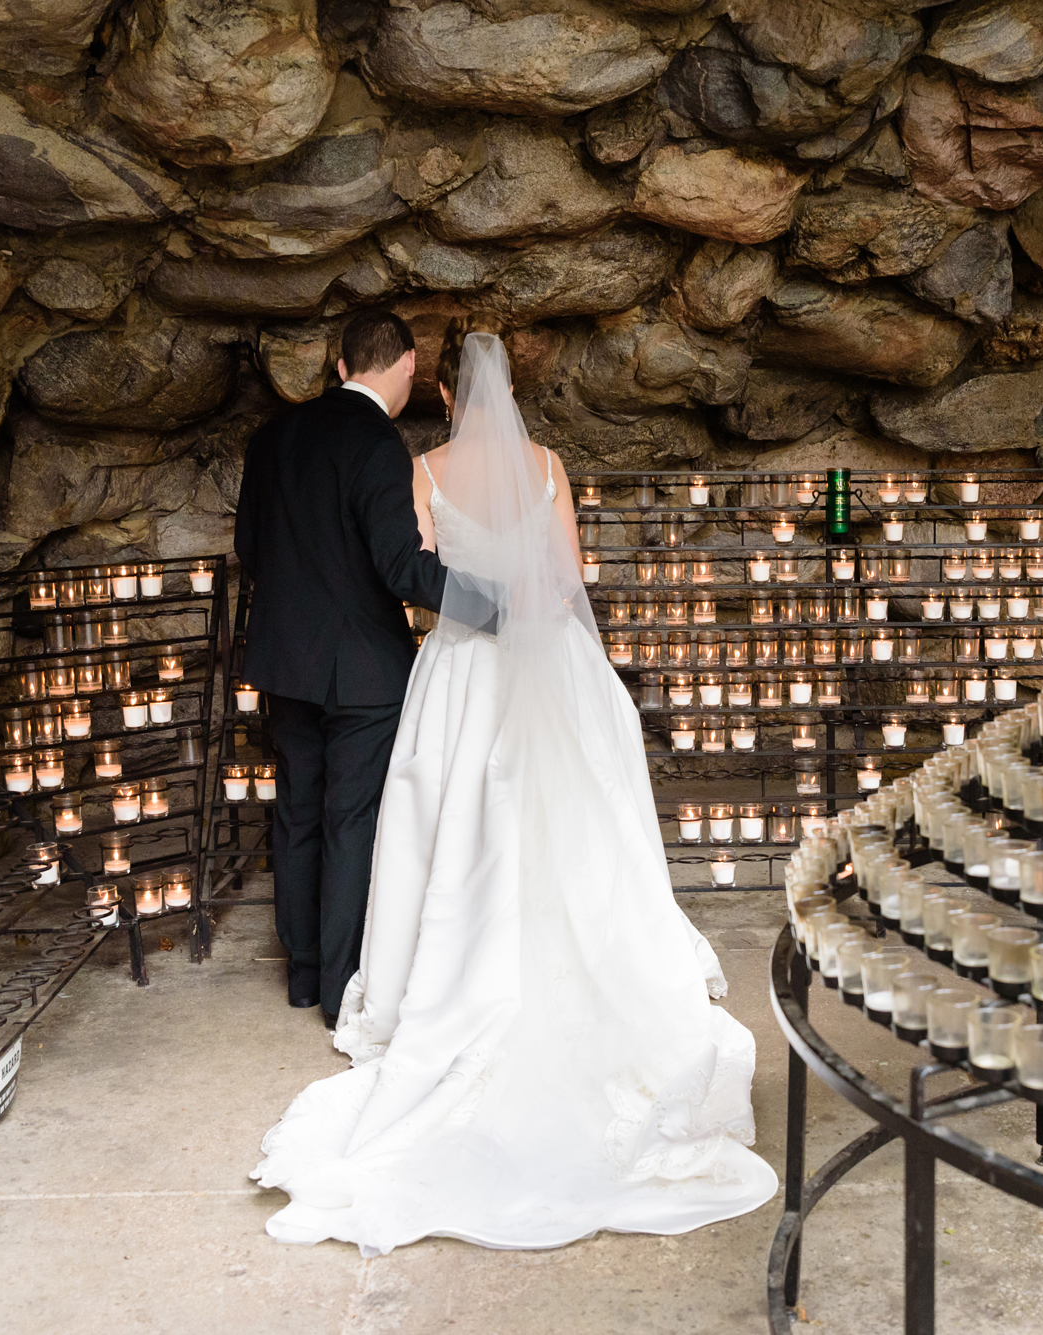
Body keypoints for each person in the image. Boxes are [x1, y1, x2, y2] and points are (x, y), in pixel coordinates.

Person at [251, 322, 776, 1254]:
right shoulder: (548, 463)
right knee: (570, 822)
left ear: (444, 391)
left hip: (459, 668)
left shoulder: (424, 466)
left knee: (438, 818)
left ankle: (347, 974)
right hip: (551, 654)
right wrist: (528, 607)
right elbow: (569, 574)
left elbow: (416, 577)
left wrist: (474, 607)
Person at [233, 310, 447, 1021]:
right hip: (361, 669)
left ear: (341, 364)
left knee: (295, 811)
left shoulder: (272, 438)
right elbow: (399, 567)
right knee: (350, 819)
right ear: (408, 367)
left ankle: (299, 972)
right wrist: (488, 593)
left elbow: (251, 549)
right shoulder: (377, 444)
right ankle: (337, 986)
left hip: (286, 661)